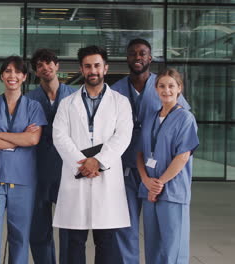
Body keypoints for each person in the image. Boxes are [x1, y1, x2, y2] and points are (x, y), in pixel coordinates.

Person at [111, 38, 190, 264]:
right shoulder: (116, 90)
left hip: (157, 173)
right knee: (125, 225)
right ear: (127, 58)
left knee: (162, 233)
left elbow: (180, 116)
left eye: (143, 53)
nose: (138, 57)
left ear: (150, 58)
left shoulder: (164, 84)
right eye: (133, 53)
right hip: (126, 168)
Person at [52, 46, 133, 264]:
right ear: (81, 69)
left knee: (106, 244)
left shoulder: (121, 102)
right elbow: (59, 136)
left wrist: (98, 161)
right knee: (73, 245)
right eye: (88, 66)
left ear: (105, 68)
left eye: (97, 65)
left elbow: (123, 137)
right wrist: (83, 164)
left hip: (105, 177)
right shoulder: (67, 104)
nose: (93, 70)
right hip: (76, 176)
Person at [0, 56, 47, 264]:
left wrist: (0, 134)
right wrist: (17, 139)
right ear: (2, 76)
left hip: (23, 181)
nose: (12, 76)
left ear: (24, 77)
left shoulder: (33, 107)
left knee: (20, 236)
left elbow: (33, 139)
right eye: (7, 71)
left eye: (17, 72)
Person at [137, 68, 198, 264]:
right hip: (149, 191)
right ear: (156, 89)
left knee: (173, 248)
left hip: (172, 191)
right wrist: (146, 181)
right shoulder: (151, 118)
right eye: (162, 86)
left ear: (179, 88)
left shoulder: (185, 118)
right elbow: (139, 153)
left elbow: (183, 156)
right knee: (153, 247)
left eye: (171, 86)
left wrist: (160, 183)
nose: (166, 90)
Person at [26, 48, 76, 264]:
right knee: (38, 227)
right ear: (36, 72)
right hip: (37, 169)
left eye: (48, 63)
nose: (45, 67)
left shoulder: (75, 95)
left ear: (57, 66)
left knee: (69, 227)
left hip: (67, 169)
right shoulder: (29, 99)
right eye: (39, 65)